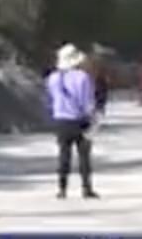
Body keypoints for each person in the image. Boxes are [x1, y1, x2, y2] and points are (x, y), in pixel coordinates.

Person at [45, 44, 99, 200]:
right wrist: (92, 118)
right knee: (84, 156)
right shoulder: (83, 77)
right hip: (80, 120)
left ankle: (62, 189)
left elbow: (51, 99)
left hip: (61, 120)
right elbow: (87, 101)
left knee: (63, 155)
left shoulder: (53, 78)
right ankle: (86, 188)